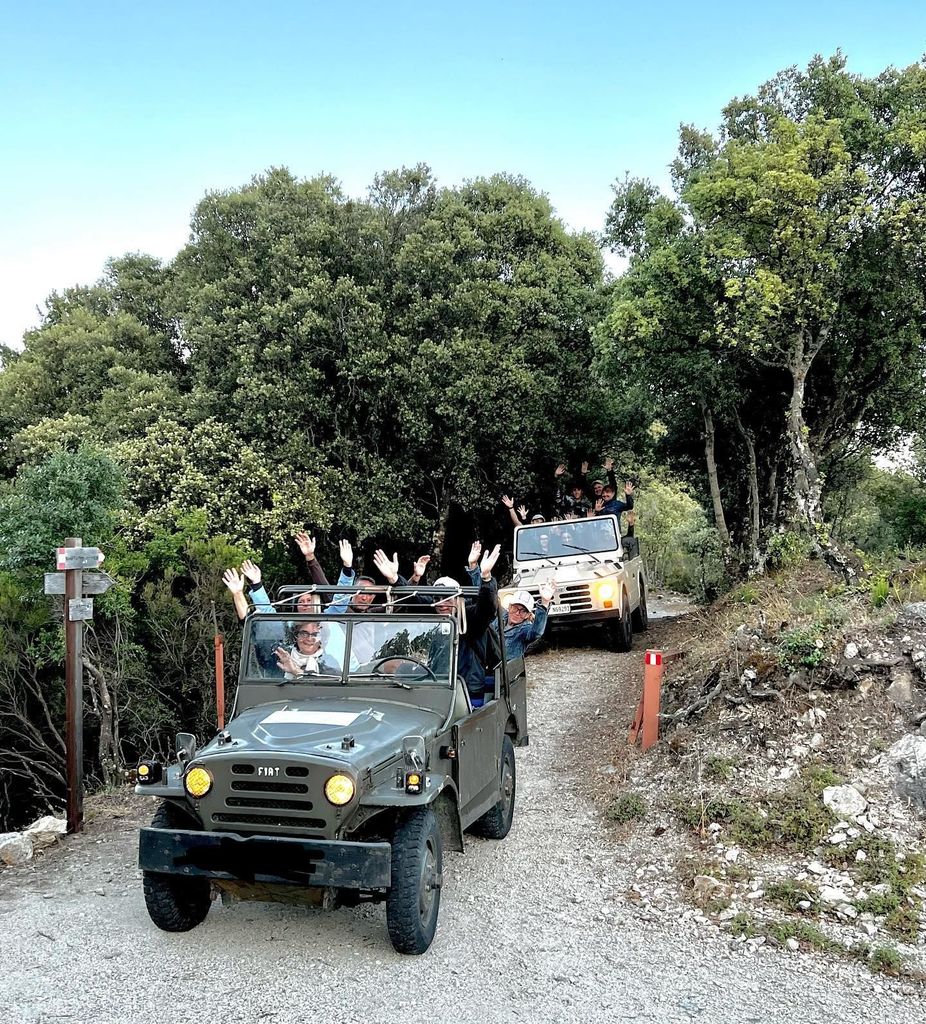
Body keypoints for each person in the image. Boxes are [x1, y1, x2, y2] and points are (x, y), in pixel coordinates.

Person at [374, 543, 501, 701]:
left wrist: (486, 578)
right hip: (438, 684)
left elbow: (487, 608)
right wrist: (394, 579)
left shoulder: (469, 617)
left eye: (447, 599)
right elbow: (414, 600)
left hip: (466, 690)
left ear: (458, 600)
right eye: (437, 598)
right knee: (390, 666)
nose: (442, 604)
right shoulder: (435, 612)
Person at [501, 582, 556, 660]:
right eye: (515, 608)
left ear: (528, 615)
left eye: (523, 611)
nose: (517, 613)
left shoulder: (524, 630)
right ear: (509, 607)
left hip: (504, 666)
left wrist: (544, 603)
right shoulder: (499, 616)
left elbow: (536, 632)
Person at [274, 622, 341, 679]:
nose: (309, 639)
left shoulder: (328, 662)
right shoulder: (282, 656)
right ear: (296, 636)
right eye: (304, 634)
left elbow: (331, 686)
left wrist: (295, 671)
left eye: (315, 635)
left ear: (322, 639)